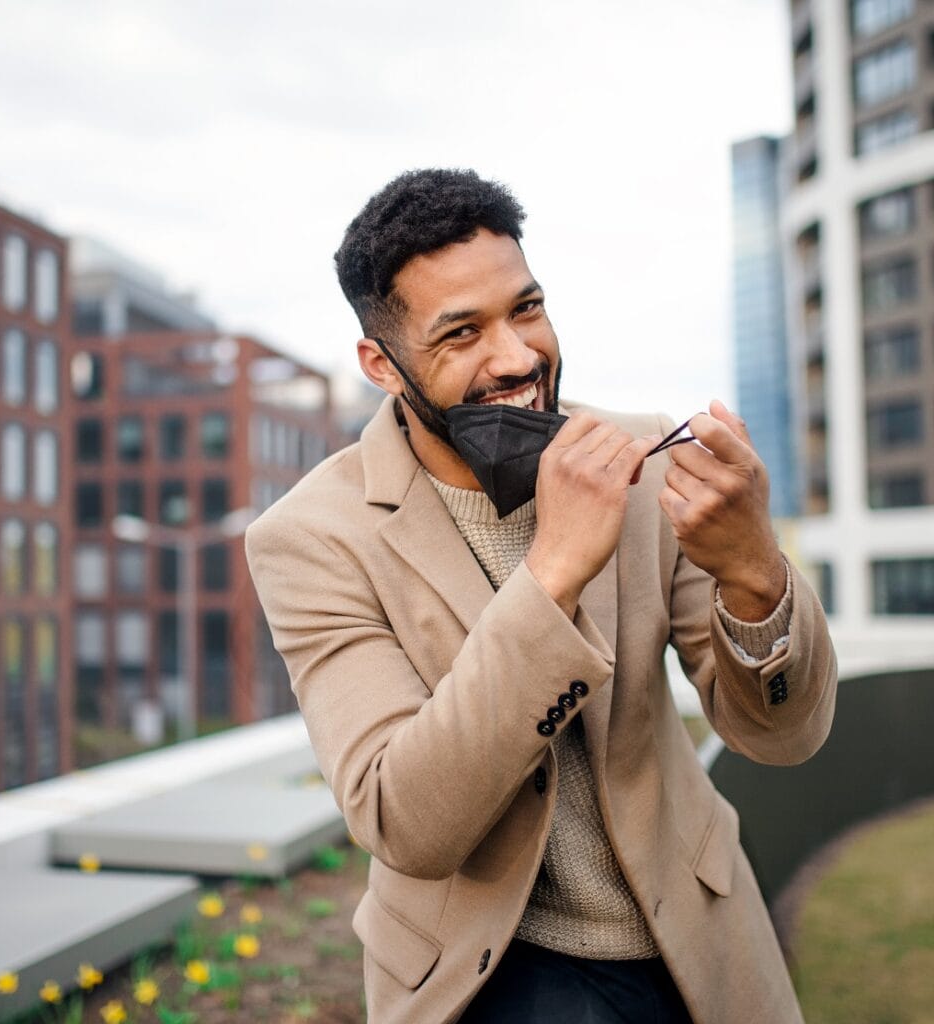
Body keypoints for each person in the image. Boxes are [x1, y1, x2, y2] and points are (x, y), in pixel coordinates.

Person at [244, 168, 837, 1024]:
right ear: (382, 363)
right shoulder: (311, 537)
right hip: (490, 974)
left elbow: (781, 736)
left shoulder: (644, 458)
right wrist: (551, 574)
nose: (519, 357)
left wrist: (754, 572)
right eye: (461, 333)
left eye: (526, 309)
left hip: (698, 941)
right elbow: (404, 822)